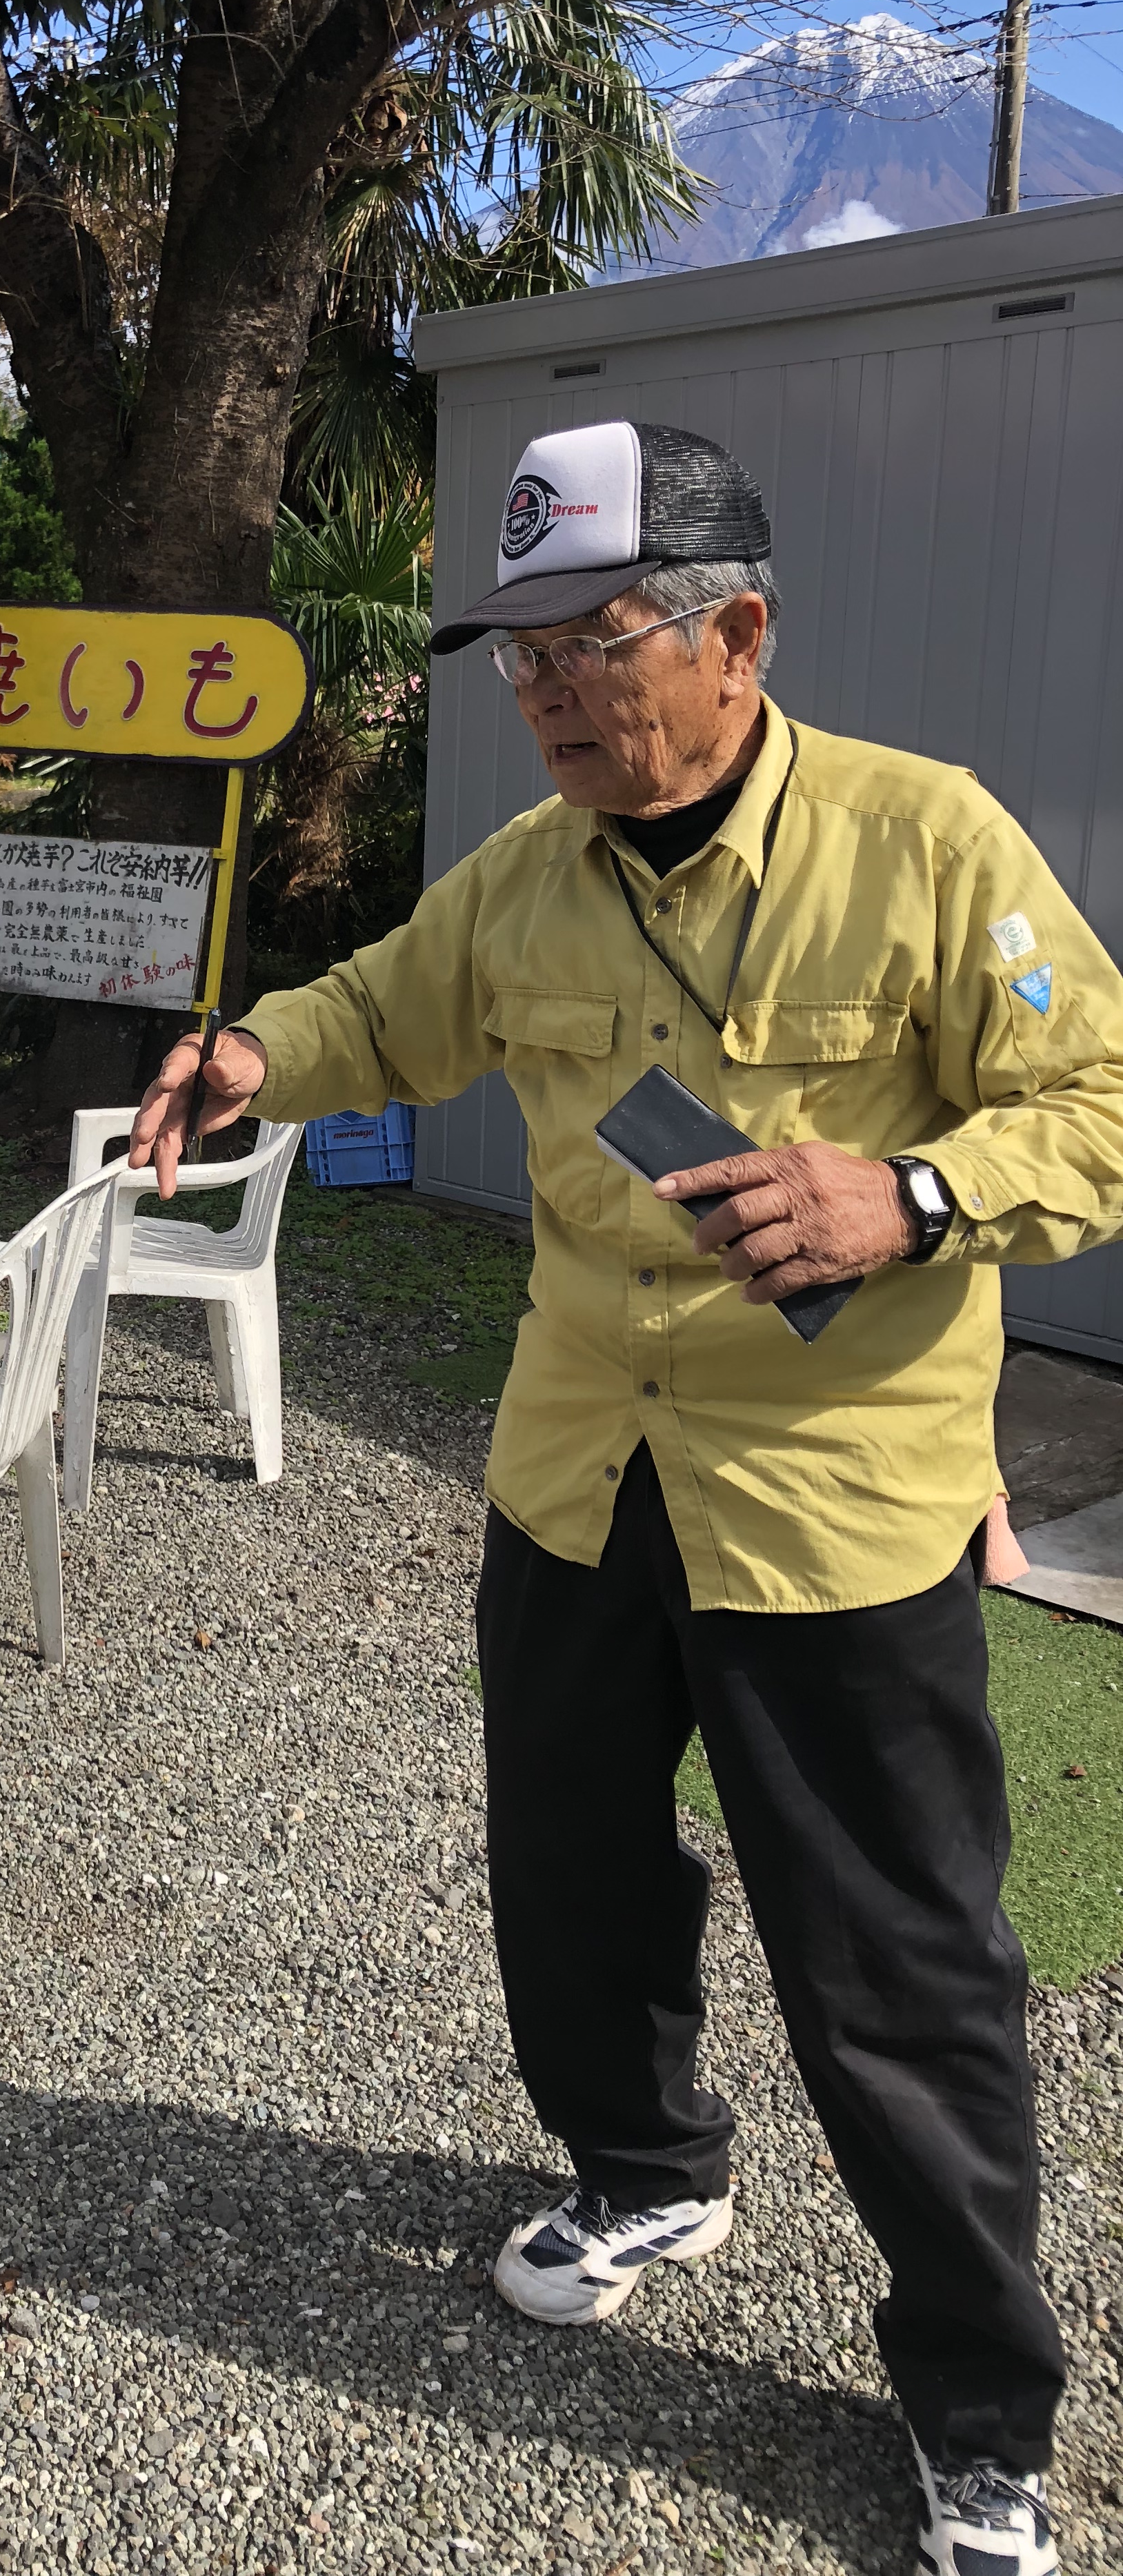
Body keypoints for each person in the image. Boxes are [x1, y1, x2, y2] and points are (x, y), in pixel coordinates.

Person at [129, 422, 1123, 2576]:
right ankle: (650, 2165)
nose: (552, 696)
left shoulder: (924, 841)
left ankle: (979, 2410)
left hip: (835, 1493)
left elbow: (1102, 1101)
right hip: (584, 1463)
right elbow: (388, 1012)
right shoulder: (529, 873)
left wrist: (911, 1192)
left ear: (734, 634)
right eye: (523, 658)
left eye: (595, 644)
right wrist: (256, 1057)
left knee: (895, 1958)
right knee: (569, 1871)